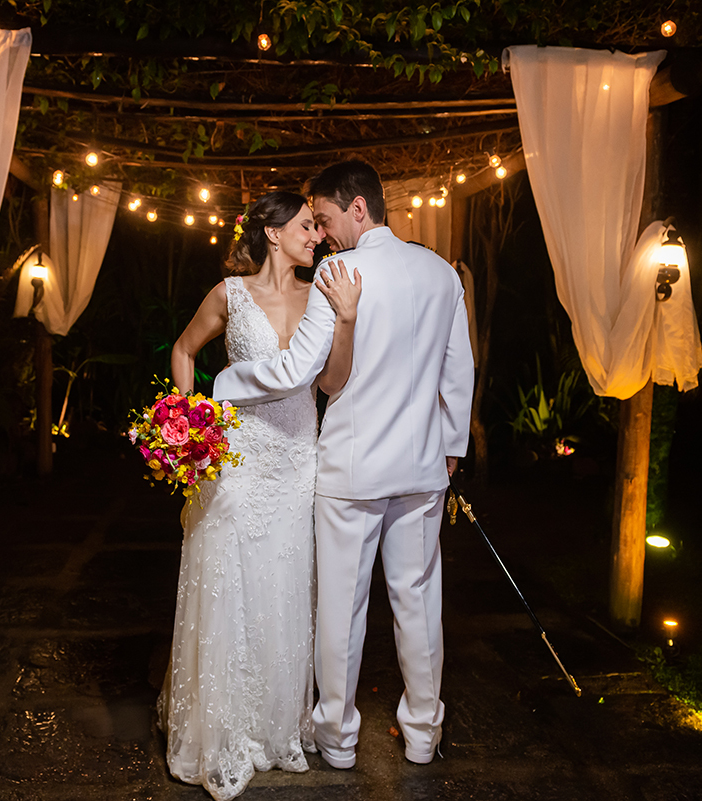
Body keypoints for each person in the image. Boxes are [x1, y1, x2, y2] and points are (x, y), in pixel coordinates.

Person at [213, 161, 474, 769]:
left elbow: (299, 370)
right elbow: (457, 372)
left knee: (342, 607)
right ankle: (423, 733)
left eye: (326, 218)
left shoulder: (338, 273)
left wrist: (226, 383)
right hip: (422, 469)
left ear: (358, 208)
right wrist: (451, 448)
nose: (323, 233)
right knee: (418, 601)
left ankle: (337, 736)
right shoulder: (441, 273)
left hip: (351, 472)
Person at [160, 191, 362, 801]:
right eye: (306, 226)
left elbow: (331, 382)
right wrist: (188, 425)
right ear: (272, 233)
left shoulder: (321, 295)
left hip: (297, 460)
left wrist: (346, 321)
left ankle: (275, 727)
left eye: (318, 228)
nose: (317, 236)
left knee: (284, 589)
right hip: (238, 459)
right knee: (229, 586)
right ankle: (223, 729)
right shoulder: (229, 294)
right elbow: (183, 350)